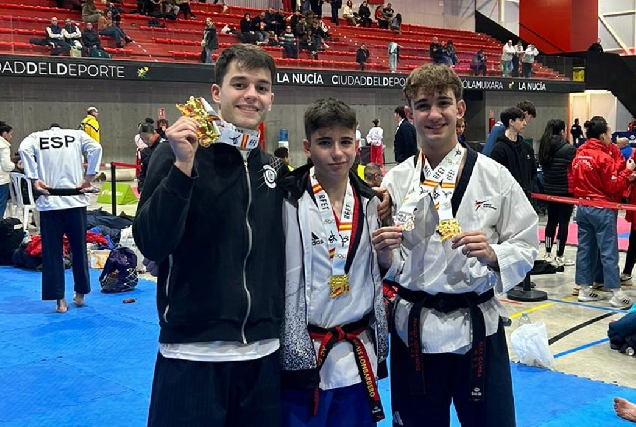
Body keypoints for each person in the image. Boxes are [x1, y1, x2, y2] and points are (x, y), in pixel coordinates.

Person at [371, 63, 538, 427]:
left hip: (478, 329)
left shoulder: (494, 176)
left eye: (443, 103)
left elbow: (527, 244)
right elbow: (387, 264)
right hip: (414, 330)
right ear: (409, 114)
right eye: (423, 105)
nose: (434, 114)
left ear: (460, 109)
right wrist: (383, 252)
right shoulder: (395, 181)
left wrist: (494, 254)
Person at [132, 44, 288, 426]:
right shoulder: (177, 154)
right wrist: (182, 167)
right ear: (217, 93)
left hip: (264, 355)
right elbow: (151, 242)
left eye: (262, 87)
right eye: (240, 84)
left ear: (271, 98)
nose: (251, 95)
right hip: (192, 354)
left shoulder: (273, 169)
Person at [279, 97, 388, 427]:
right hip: (303, 354)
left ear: (357, 144)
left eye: (345, 142)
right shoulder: (286, 199)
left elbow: (380, 272)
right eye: (325, 143)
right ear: (307, 147)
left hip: (356, 353)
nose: (337, 153)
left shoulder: (371, 202)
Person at [18, 124, 102, 313]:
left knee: (52, 253)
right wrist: (89, 176)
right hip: (75, 201)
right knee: (79, 249)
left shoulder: (37, 137)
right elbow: (96, 148)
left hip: (50, 202)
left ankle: (60, 301)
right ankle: (80, 294)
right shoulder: (76, 135)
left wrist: (33, 178)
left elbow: (23, 149)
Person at [571, 116, 635, 309]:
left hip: (582, 207)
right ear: (602, 136)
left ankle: (584, 288)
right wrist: (627, 172)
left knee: (584, 249)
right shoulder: (603, 158)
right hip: (601, 208)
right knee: (608, 251)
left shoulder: (579, 154)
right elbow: (613, 185)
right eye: (609, 133)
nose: (611, 137)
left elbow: (573, 180)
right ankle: (616, 292)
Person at [538, 119, 576, 267]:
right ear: (562, 132)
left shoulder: (544, 146)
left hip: (549, 190)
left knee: (551, 221)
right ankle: (560, 255)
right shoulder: (569, 149)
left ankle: (547, 253)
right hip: (565, 191)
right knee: (563, 223)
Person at [137, 122, 166, 193]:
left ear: (154, 134)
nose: (145, 141)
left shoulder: (165, 146)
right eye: (142, 139)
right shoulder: (145, 152)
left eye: (148, 138)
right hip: (151, 188)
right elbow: (144, 171)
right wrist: (141, 188)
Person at [0, 122, 16, 218]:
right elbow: (6, 166)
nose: (11, 136)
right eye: (10, 134)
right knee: (1, 204)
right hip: (1, 180)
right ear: (4, 134)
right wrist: (14, 165)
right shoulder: (4, 146)